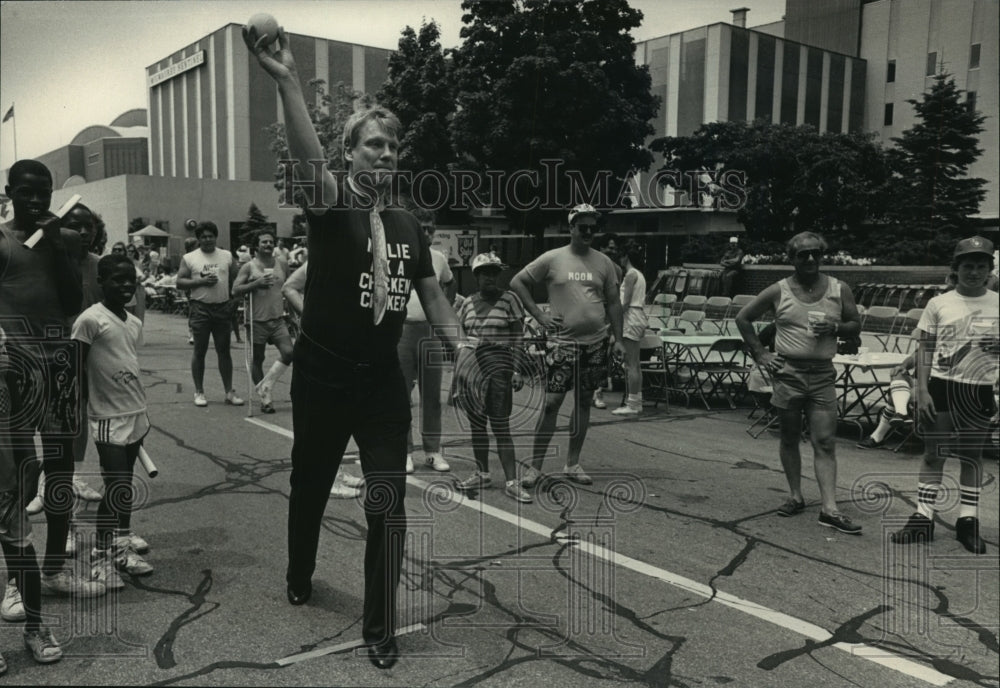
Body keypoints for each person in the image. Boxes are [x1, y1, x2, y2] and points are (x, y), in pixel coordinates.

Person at [245, 24, 476, 669]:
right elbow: (308, 161)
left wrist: (462, 352)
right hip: (321, 375)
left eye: (394, 145)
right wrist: (288, 79)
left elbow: (431, 299)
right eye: (374, 144)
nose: (386, 154)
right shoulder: (330, 200)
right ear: (350, 154)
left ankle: (381, 626)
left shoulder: (407, 223)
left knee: (388, 502)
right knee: (311, 486)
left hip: (380, 382)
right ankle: (300, 570)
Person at [0, 160, 104, 599]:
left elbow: (70, 299)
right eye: (26, 192)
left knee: (60, 474)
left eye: (43, 191)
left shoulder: (66, 239)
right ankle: (14, 580)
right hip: (14, 370)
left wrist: (59, 248)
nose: (36, 200)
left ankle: (54, 569)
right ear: (9, 193)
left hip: (58, 365)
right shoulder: (1, 242)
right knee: (19, 479)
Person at [735, 231, 863, 535]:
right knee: (789, 437)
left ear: (822, 256)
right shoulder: (779, 291)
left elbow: (855, 325)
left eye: (815, 253)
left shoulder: (838, 288)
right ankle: (795, 495)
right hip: (788, 373)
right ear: (791, 258)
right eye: (802, 254)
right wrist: (761, 353)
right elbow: (743, 318)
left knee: (825, 440)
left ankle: (830, 508)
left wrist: (836, 326)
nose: (809, 259)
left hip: (822, 374)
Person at [891, 237, 999, 554]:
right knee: (933, 454)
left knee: (971, 457)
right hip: (941, 386)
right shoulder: (939, 303)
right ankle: (923, 518)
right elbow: (925, 349)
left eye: (981, 266)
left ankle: (968, 521)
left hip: (977, 388)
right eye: (968, 266)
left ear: (990, 269)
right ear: (956, 270)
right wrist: (921, 389)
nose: (974, 272)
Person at [509, 203, 625, 488]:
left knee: (584, 401)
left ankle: (572, 462)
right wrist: (538, 315)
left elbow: (613, 302)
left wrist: (619, 340)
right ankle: (535, 467)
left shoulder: (604, 263)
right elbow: (518, 282)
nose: (587, 232)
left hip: (595, 343)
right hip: (562, 344)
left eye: (592, 228)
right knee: (551, 404)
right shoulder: (552, 258)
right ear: (571, 227)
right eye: (582, 227)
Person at [71, 254, 155, 589]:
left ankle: (121, 549)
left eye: (130, 280)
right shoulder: (90, 320)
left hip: (136, 412)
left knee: (124, 487)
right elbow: (76, 367)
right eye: (117, 280)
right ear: (100, 282)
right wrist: (73, 407)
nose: (124, 286)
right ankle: (102, 558)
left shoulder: (133, 322)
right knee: (116, 486)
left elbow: (128, 361)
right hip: (107, 416)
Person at [1, 324, 65, 670]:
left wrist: (28, 460)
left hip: (5, 471)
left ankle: (35, 627)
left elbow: (16, 407)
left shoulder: (0, 340)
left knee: (21, 554)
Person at [281, 262, 365, 499]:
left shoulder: (354, 252)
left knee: (339, 416)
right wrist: (312, 318)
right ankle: (326, 478)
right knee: (324, 417)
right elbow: (289, 288)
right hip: (323, 348)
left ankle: (335, 470)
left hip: (347, 345)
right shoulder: (323, 253)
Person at [454, 252, 532, 503]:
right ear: (476, 275)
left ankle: (511, 481)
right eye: (485, 272)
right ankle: (482, 473)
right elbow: (459, 337)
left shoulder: (510, 299)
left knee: (500, 425)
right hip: (472, 366)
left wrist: (518, 369)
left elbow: (518, 336)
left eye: (494, 272)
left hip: (499, 364)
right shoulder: (467, 303)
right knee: (477, 424)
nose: (490, 277)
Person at [397, 209, 455, 474]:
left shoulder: (439, 258)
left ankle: (432, 450)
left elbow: (449, 284)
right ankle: (404, 451)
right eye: (422, 228)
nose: (427, 233)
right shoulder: (401, 254)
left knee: (432, 396)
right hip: (402, 330)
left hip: (429, 331)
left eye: (431, 228)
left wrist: (444, 315)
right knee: (401, 396)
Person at [175, 221, 244, 407]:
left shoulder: (227, 256)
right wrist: (201, 281)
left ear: (216, 237)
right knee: (200, 350)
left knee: (224, 351)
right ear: (198, 239)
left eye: (210, 236)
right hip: (200, 308)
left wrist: (234, 302)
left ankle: (229, 392)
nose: (207, 240)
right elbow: (180, 282)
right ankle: (199, 391)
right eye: (203, 237)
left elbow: (237, 281)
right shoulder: (190, 258)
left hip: (222, 307)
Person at [232, 229, 292, 413]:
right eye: (264, 242)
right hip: (257, 320)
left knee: (289, 352)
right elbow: (235, 289)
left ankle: (266, 385)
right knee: (258, 358)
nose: (268, 244)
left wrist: (293, 313)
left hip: (278, 319)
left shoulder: (281, 263)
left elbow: (289, 287)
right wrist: (255, 284)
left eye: (270, 241)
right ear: (256, 246)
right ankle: (265, 398)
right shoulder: (249, 266)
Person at [612, 241, 649, 416]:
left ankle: (633, 403)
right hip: (638, 316)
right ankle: (636, 400)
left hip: (631, 317)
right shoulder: (639, 275)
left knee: (631, 364)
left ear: (626, 256)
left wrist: (612, 320)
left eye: (620, 255)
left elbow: (624, 303)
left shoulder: (630, 275)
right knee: (635, 364)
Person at [856, 350, 915, 449]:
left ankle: (878, 436)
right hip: (917, 382)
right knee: (897, 373)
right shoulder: (931, 340)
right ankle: (902, 413)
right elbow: (917, 355)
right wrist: (903, 366)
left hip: (936, 386)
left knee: (897, 391)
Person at [590, 232, 623, 410]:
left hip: (607, 318)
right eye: (609, 248)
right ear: (601, 248)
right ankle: (589, 390)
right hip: (590, 314)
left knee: (605, 356)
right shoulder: (590, 266)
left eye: (615, 249)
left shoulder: (617, 270)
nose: (612, 251)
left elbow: (616, 300)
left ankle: (598, 392)